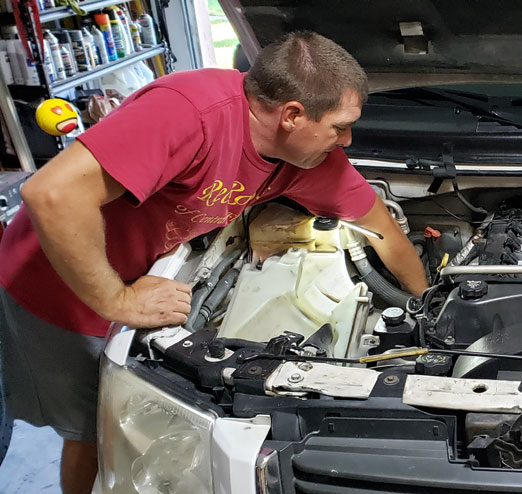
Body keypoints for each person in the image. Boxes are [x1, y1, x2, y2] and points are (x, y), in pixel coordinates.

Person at [0, 31, 427, 494]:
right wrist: (116, 299)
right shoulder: (187, 113)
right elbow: (50, 193)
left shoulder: (306, 157)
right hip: (58, 283)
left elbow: (383, 229)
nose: (346, 140)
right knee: (93, 432)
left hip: (139, 273)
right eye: (340, 126)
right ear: (292, 115)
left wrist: (424, 306)